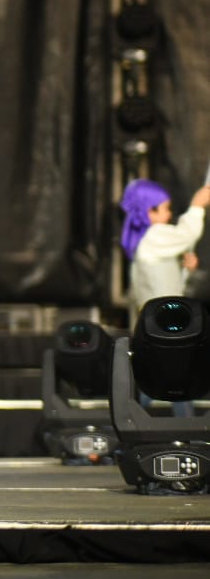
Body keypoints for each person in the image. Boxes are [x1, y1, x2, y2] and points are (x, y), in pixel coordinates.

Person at [120, 179, 207, 418]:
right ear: (150, 211)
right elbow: (185, 234)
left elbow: (170, 284)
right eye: (166, 209)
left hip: (158, 325)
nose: (169, 215)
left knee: (169, 381)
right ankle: (188, 432)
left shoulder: (148, 242)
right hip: (164, 326)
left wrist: (185, 270)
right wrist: (198, 205)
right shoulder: (154, 236)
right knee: (175, 379)